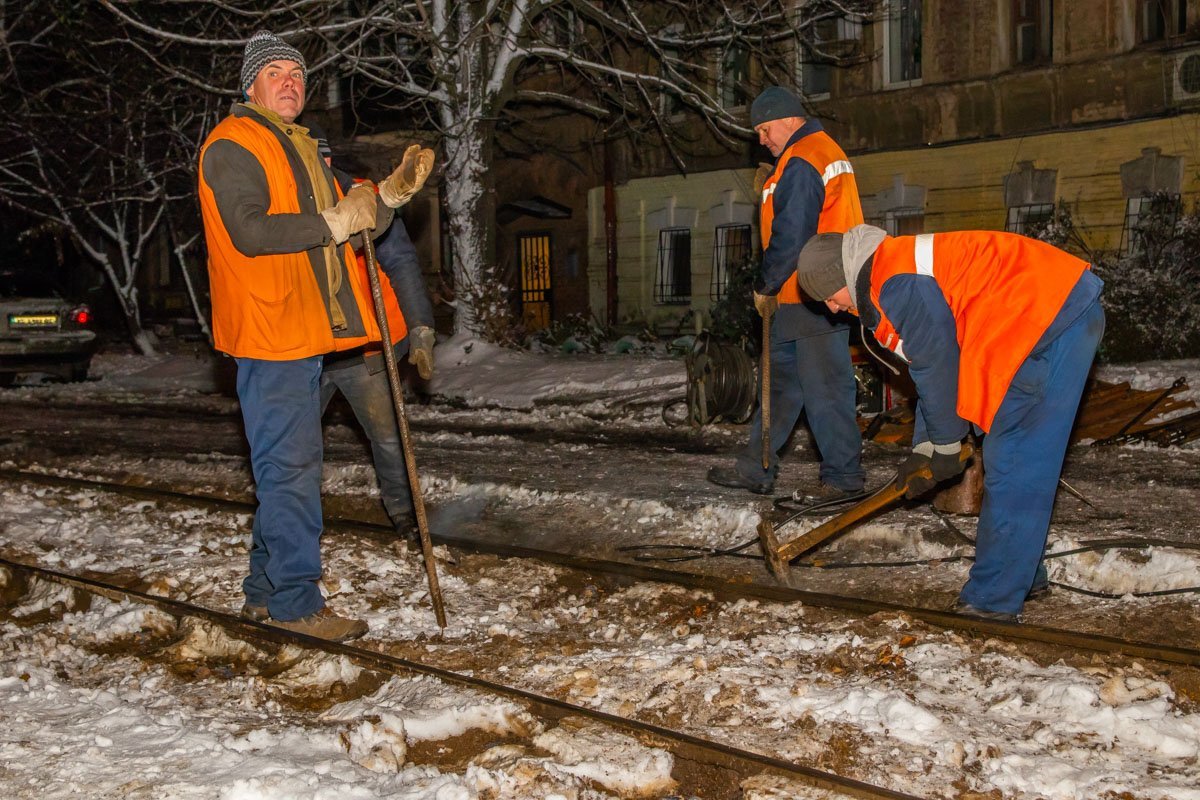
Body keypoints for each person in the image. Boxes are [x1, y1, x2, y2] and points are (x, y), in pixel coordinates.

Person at [197, 31, 431, 641]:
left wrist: (391, 194)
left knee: (283, 471)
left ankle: (263, 592)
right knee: (292, 472)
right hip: (271, 332)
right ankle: (298, 604)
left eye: (297, 74)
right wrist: (334, 218)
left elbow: (357, 219)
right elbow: (250, 231)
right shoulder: (234, 144)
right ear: (250, 84)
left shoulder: (301, 150)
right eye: (274, 72)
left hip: (305, 333)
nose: (290, 82)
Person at [793, 225, 1105, 621]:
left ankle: (992, 599)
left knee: (1014, 457)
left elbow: (938, 363)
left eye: (829, 297)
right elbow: (937, 371)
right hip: (1047, 312)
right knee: (1014, 456)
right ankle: (1021, 573)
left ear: (842, 276)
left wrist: (946, 446)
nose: (833, 309)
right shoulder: (889, 271)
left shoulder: (895, 283)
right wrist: (927, 449)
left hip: (1046, 320)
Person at [707, 86, 865, 500]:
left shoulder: (803, 158)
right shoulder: (813, 154)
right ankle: (756, 467)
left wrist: (765, 284)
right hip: (806, 296)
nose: (761, 139)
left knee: (827, 390)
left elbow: (792, 235)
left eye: (764, 128)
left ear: (790, 119)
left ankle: (844, 478)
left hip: (816, 293)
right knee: (778, 388)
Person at [312, 131, 437, 534]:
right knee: (294, 447)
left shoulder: (362, 197)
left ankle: (404, 513)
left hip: (363, 348)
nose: (320, 169)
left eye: (324, 160)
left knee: (387, 436)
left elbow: (401, 261)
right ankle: (297, 521)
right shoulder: (285, 205)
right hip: (304, 350)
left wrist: (420, 328)